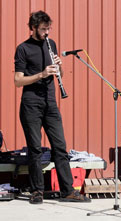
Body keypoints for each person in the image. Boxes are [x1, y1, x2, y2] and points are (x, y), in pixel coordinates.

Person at [14, 10, 91, 204]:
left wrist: (59, 66)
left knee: (60, 147)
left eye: (49, 28)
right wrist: (41, 74)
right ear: (32, 28)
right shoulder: (23, 48)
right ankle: (37, 191)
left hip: (50, 103)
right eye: (43, 29)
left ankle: (68, 191)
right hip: (31, 103)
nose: (47, 32)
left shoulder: (51, 44)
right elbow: (17, 80)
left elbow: (60, 75)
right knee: (35, 149)